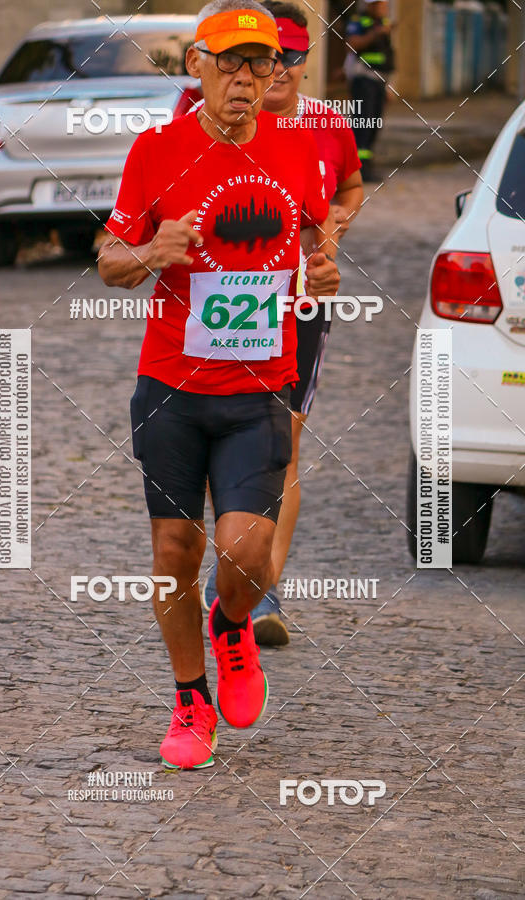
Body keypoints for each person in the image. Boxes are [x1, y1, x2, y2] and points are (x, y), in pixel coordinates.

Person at [98, 0, 340, 770]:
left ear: (277, 73)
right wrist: (151, 252)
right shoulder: (155, 150)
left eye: (261, 64)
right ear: (196, 65)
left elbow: (314, 236)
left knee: (243, 553)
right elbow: (108, 256)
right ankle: (189, 698)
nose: (245, 79)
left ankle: (231, 627)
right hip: (169, 386)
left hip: (259, 388)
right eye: (230, 63)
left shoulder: (298, 151)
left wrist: (323, 270)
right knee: (175, 549)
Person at [202, 0, 363, 647]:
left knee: (282, 446)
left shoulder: (327, 124)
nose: (281, 71)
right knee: (221, 439)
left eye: (293, 57)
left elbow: (351, 185)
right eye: (269, 58)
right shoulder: (217, 124)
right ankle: (234, 572)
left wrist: (339, 226)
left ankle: (261, 590)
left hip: (299, 304)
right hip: (223, 303)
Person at [345, 0, 395, 181]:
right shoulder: (359, 22)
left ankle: (367, 164)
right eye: (380, 4)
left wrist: (389, 86)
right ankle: (358, 167)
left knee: (374, 123)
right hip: (363, 79)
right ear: (370, 6)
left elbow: (388, 55)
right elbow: (352, 44)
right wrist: (375, 34)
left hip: (380, 81)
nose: (384, 8)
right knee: (362, 123)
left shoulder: (384, 23)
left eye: (385, 5)